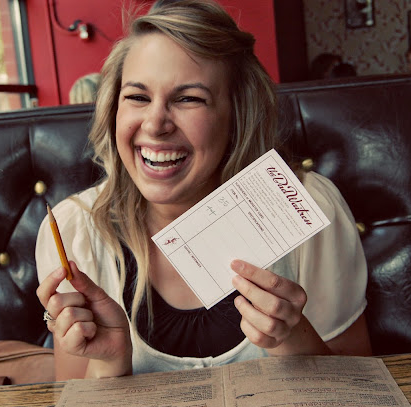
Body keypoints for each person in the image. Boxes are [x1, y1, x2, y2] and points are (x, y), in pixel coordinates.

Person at [36, 0, 372, 381]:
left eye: (188, 99)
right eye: (138, 97)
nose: (156, 124)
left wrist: (294, 339)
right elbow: (76, 406)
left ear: (237, 114)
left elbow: (359, 390)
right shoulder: (74, 231)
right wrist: (109, 362)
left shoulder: (307, 206)